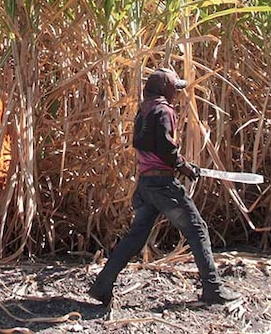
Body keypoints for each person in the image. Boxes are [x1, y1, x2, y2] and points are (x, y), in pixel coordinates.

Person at [88, 67, 242, 306]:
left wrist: (179, 164)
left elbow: (147, 146)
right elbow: (166, 148)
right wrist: (184, 166)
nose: (177, 94)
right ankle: (213, 288)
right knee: (197, 229)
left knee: (135, 238)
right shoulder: (162, 110)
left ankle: (102, 285)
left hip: (147, 184)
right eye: (174, 89)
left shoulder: (144, 110)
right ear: (164, 89)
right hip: (162, 185)